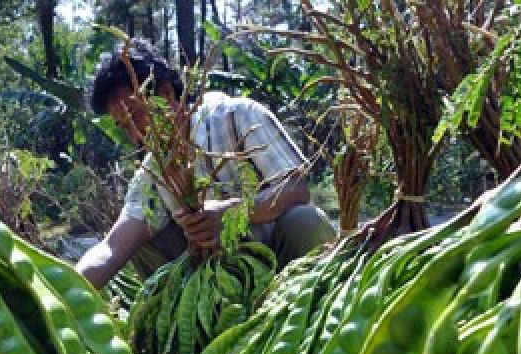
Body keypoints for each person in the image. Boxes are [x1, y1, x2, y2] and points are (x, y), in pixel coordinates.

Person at [76, 39, 336, 290]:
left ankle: (313, 301)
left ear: (166, 93)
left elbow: (297, 189)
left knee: (305, 220)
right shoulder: (154, 169)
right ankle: (196, 326)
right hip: (217, 282)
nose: (135, 135)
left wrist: (232, 213)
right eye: (124, 126)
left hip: (279, 262)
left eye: (135, 115)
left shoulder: (237, 116)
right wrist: (56, 293)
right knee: (141, 243)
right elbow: (112, 247)